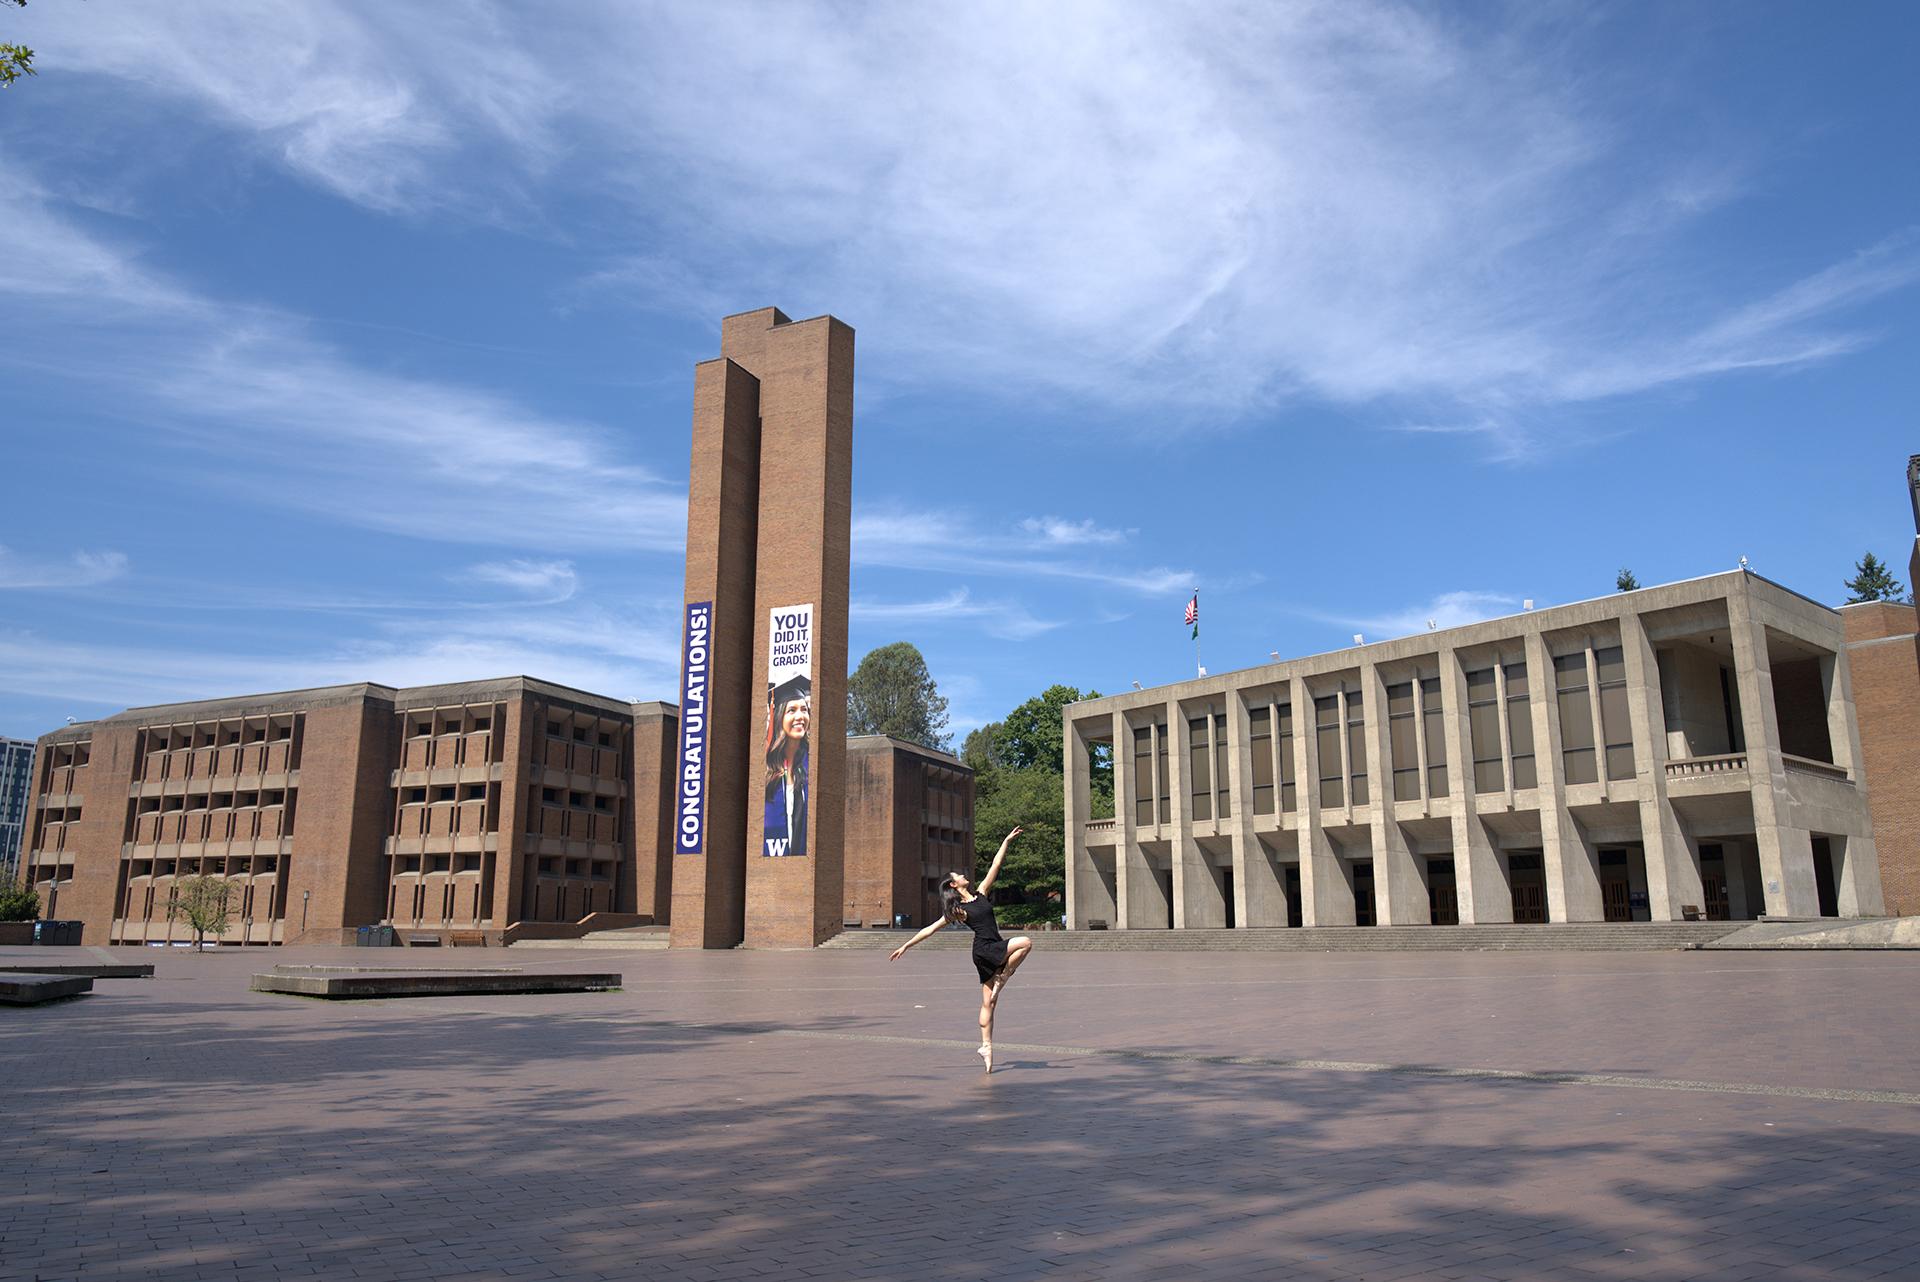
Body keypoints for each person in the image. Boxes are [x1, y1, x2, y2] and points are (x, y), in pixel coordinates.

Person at [888, 827, 1031, 1072]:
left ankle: (986, 1046)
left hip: (993, 946)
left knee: (989, 1004)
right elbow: (930, 929)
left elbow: (995, 865)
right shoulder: (958, 910)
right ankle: (1003, 977)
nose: (965, 875)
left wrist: (1005, 841)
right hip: (984, 950)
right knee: (1025, 942)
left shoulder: (981, 893)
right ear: (954, 884)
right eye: (960, 875)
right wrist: (906, 945)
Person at [762, 675, 810, 857]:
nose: (800, 716)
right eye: (792, 710)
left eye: (804, 710)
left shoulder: (811, 763)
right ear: (779, 715)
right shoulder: (766, 767)